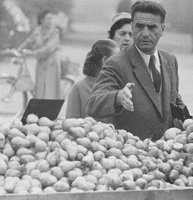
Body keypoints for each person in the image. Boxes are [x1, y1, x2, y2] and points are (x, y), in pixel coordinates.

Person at [87, 1, 186, 141]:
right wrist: (118, 97)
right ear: (133, 27)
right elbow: (93, 103)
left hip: (167, 155)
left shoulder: (170, 61)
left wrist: (187, 121)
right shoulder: (116, 63)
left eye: (152, 27)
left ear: (162, 29)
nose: (145, 33)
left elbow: (175, 100)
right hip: (132, 154)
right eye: (139, 26)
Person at [65, 39, 119, 119]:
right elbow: (71, 123)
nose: (120, 63)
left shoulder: (120, 86)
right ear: (105, 60)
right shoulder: (79, 88)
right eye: (117, 59)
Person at [17, 9, 61, 99]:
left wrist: (34, 52)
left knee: (49, 89)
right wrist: (19, 49)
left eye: (51, 19)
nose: (50, 21)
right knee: (40, 88)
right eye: (48, 18)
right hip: (40, 63)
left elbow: (49, 48)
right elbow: (29, 41)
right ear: (42, 20)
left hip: (51, 64)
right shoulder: (37, 31)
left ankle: (50, 111)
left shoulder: (54, 32)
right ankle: (41, 110)